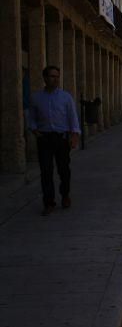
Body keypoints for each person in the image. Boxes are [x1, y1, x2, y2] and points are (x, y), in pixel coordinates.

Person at [27, 65, 80, 216]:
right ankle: (48, 202)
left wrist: (74, 135)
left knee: (64, 170)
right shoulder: (36, 98)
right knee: (46, 171)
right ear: (45, 78)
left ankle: (65, 195)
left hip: (61, 138)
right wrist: (35, 131)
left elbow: (72, 117)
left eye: (57, 76)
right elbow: (32, 118)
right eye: (52, 76)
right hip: (44, 138)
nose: (55, 79)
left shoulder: (65, 97)